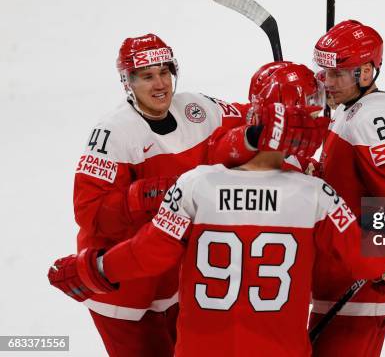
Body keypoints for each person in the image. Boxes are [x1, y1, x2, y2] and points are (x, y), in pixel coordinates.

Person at [48, 62, 385, 357]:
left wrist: (91, 269)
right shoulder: (316, 196)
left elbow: (147, 254)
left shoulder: (194, 185)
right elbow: (369, 264)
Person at [70, 34, 325, 357]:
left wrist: (288, 103)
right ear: (127, 82)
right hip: (124, 285)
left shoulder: (195, 108)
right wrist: (148, 194)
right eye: (148, 76)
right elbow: (90, 215)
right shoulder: (112, 133)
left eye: (165, 72)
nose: (160, 84)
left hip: (173, 274)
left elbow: (256, 117)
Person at [306, 20, 385, 356]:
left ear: (365, 74)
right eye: (325, 71)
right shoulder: (354, 109)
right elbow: (355, 182)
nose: (326, 82)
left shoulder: (368, 119)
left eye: (337, 74)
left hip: (360, 278)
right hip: (344, 267)